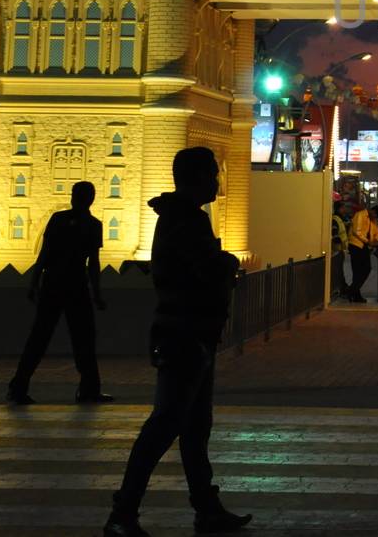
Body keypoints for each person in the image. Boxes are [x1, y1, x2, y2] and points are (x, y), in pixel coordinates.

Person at [104, 147, 249, 537]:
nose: (218, 182)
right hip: (185, 332)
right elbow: (201, 271)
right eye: (213, 175)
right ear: (197, 178)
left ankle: (207, 508)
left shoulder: (180, 217)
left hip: (192, 332)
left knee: (195, 426)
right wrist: (228, 262)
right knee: (165, 425)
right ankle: (123, 512)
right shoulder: (186, 221)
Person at [7, 180, 108, 406]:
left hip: (55, 283)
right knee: (82, 338)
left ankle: (18, 387)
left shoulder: (60, 220)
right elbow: (92, 263)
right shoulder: (91, 224)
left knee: (42, 337)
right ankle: (88, 389)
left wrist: (34, 283)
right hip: (73, 285)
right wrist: (97, 293)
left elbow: (45, 255)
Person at [346, 201, 378, 302]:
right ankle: (352, 291)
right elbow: (356, 232)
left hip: (363, 246)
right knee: (363, 269)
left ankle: (355, 293)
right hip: (356, 245)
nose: (375, 217)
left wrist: (377, 238)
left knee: (361, 271)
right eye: (375, 214)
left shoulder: (371, 219)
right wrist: (369, 242)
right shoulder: (360, 215)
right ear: (372, 211)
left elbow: (377, 231)